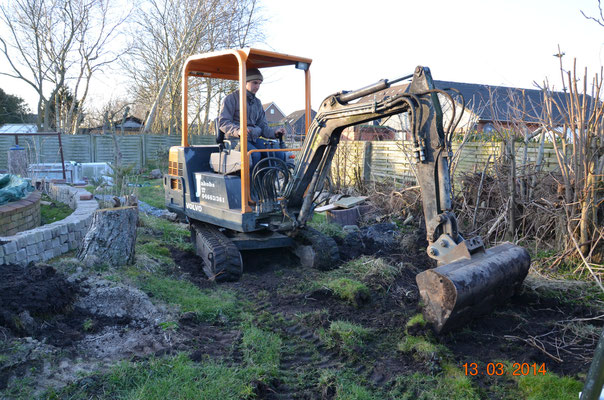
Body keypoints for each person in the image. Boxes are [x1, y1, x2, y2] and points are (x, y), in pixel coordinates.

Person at [218, 68, 286, 173]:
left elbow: (263, 127)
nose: (257, 87)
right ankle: (250, 187)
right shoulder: (231, 99)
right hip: (235, 141)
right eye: (255, 83)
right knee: (254, 154)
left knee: (277, 154)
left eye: (259, 84)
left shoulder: (257, 103)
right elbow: (223, 122)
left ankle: (267, 185)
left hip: (253, 139)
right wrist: (239, 131)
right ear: (245, 82)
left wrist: (275, 132)